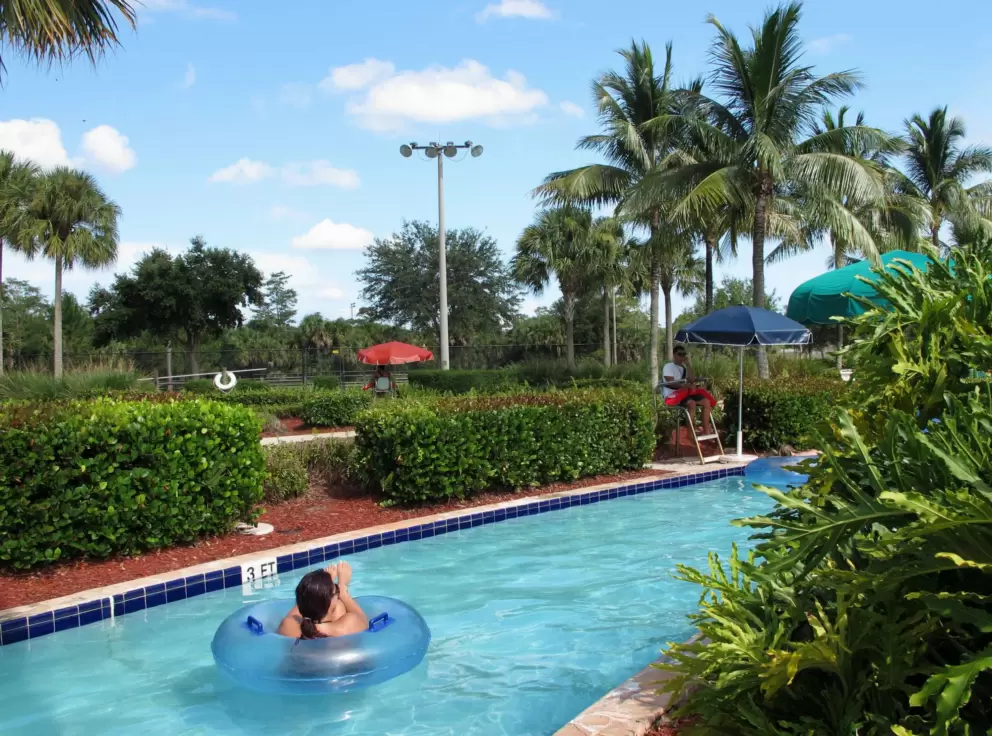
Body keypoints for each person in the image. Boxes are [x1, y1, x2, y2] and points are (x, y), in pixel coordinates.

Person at [278, 561, 368, 640]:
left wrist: (319, 590)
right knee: (340, 607)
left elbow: (303, 602)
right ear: (329, 603)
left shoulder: (288, 626)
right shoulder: (345, 627)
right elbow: (363, 620)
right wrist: (343, 589)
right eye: (336, 590)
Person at [662, 345, 716, 435]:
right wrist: (684, 386)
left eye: (684, 354)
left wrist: (688, 365)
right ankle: (690, 434)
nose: (682, 356)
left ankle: (706, 431)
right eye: (680, 354)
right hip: (673, 395)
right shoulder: (669, 366)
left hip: (685, 393)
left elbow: (691, 379)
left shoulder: (684, 368)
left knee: (707, 402)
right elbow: (670, 382)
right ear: (674, 355)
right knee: (691, 403)